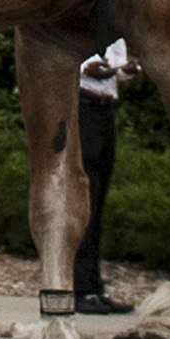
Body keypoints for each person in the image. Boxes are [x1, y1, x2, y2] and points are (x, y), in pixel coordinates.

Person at [69, 36, 130, 315]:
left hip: (103, 106)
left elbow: (116, 70)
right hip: (82, 103)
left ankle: (94, 285)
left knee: (99, 195)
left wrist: (126, 69)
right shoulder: (79, 26)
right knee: (86, 195)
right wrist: (88, 67)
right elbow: (73, 62)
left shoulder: (112, 33)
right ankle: (79, 288)